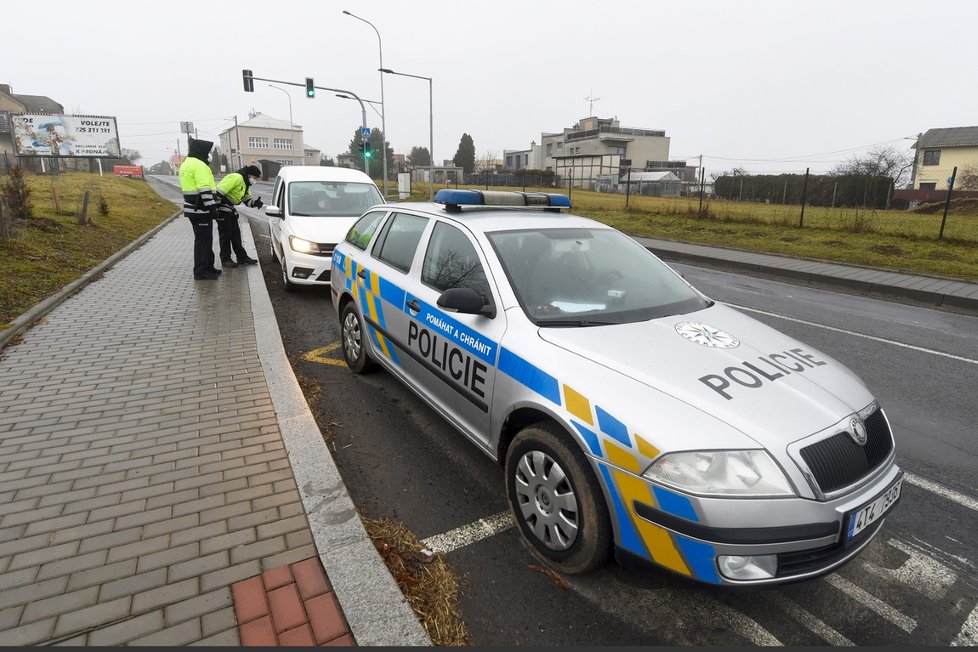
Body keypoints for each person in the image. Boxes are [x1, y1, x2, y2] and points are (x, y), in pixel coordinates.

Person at [178, 138, 221, 280]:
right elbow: (204, 188)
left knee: (205, 238)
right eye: (208, 152)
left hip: (193, 209)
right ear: (202, 151)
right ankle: (201, 270)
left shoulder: (186, 164)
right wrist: (213, 207)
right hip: (201, 209)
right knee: (203, 240)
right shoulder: (200, 165)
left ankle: (209, 266)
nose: (209, 155)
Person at [216, 165, 263, 267]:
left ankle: (242, 257)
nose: (255, 181)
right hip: (223, 210)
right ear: (250, 175)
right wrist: (217, 209)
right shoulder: (236, 177)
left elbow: (247, 200)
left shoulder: (245, 184)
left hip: (231, 210)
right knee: (225, 236)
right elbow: (218, 191)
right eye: (255, 178)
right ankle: (225, 259)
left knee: (236, 235)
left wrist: (255, 203)